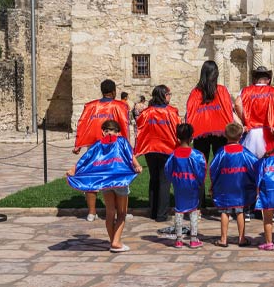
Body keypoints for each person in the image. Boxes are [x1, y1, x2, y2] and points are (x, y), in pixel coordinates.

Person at [66, 120, 142, 252]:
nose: (109, 133)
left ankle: (114, 241)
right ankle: (116, 242)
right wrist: (137, 166)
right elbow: (130, 156)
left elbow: (86, 159)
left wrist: (74, 169)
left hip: (105, 182)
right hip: (120, 181)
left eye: (108, 130)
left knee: (110, 213)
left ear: (104, 132)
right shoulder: (122, 141)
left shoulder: (98, 144)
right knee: (122, 213)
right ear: (118, 132)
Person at [73, 79, 130, 222]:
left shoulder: (91, 106)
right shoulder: (120, 106)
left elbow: (82, 124)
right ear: (113, 92)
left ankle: (92, 212)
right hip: (114, 148)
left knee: (93, 175)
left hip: (94, 147)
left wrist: (78, 144)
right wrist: (127, 146)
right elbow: (124, 125)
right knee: (117, 176)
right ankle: (119, 211)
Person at [186, 60, 237, 209]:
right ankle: (221, 201)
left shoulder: (196, 93)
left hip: (200, 133)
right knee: (221, 166)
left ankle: (199, 203)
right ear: (216, 74)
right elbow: (228, 110)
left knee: (200, 167)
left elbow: (190, 112)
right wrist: (230, 131)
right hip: (220, 132)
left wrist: (190, 133)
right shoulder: (221, 90)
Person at [135, 85, 180, 222]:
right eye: (169, 94)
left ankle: (153, 211)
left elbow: (140, 128)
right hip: (167, 149)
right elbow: (177, 129)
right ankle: (161, 215)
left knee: (154, 179)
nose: (170, 96)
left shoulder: (146, 112)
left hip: (150, 149)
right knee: (164, 181)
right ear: (163, 95)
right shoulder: (172, 112)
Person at [209, 123, 258, 247]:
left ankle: (223, 239)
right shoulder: (245, 152)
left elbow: (213, 168)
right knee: (240, 211)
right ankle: (241, 238)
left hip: (225, 187)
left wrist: (213, 184)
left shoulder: (221, 153)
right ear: (241, 136)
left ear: (225, 135)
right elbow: (254, 166)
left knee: (225, 212)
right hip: (240, 187)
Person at [164, 123, 206, 248]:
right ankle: (193, 239)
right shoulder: (196, 155)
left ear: (177, 137)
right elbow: (200, 171)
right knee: (193, 210)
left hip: (178, 185)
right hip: (192, 185)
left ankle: (178, 240)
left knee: (179, 210)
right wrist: (200, 182)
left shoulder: (173, 155)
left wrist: (173, 180)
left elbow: (167, 170)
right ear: (191, 137)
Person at [234, 66, 274, 158]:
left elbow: (237, 104)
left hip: (251, 132)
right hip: (269, 133)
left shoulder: (245, 91)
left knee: (250, 162)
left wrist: (244, 119)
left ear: (255, 79)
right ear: (268, 80)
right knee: (269, 164)